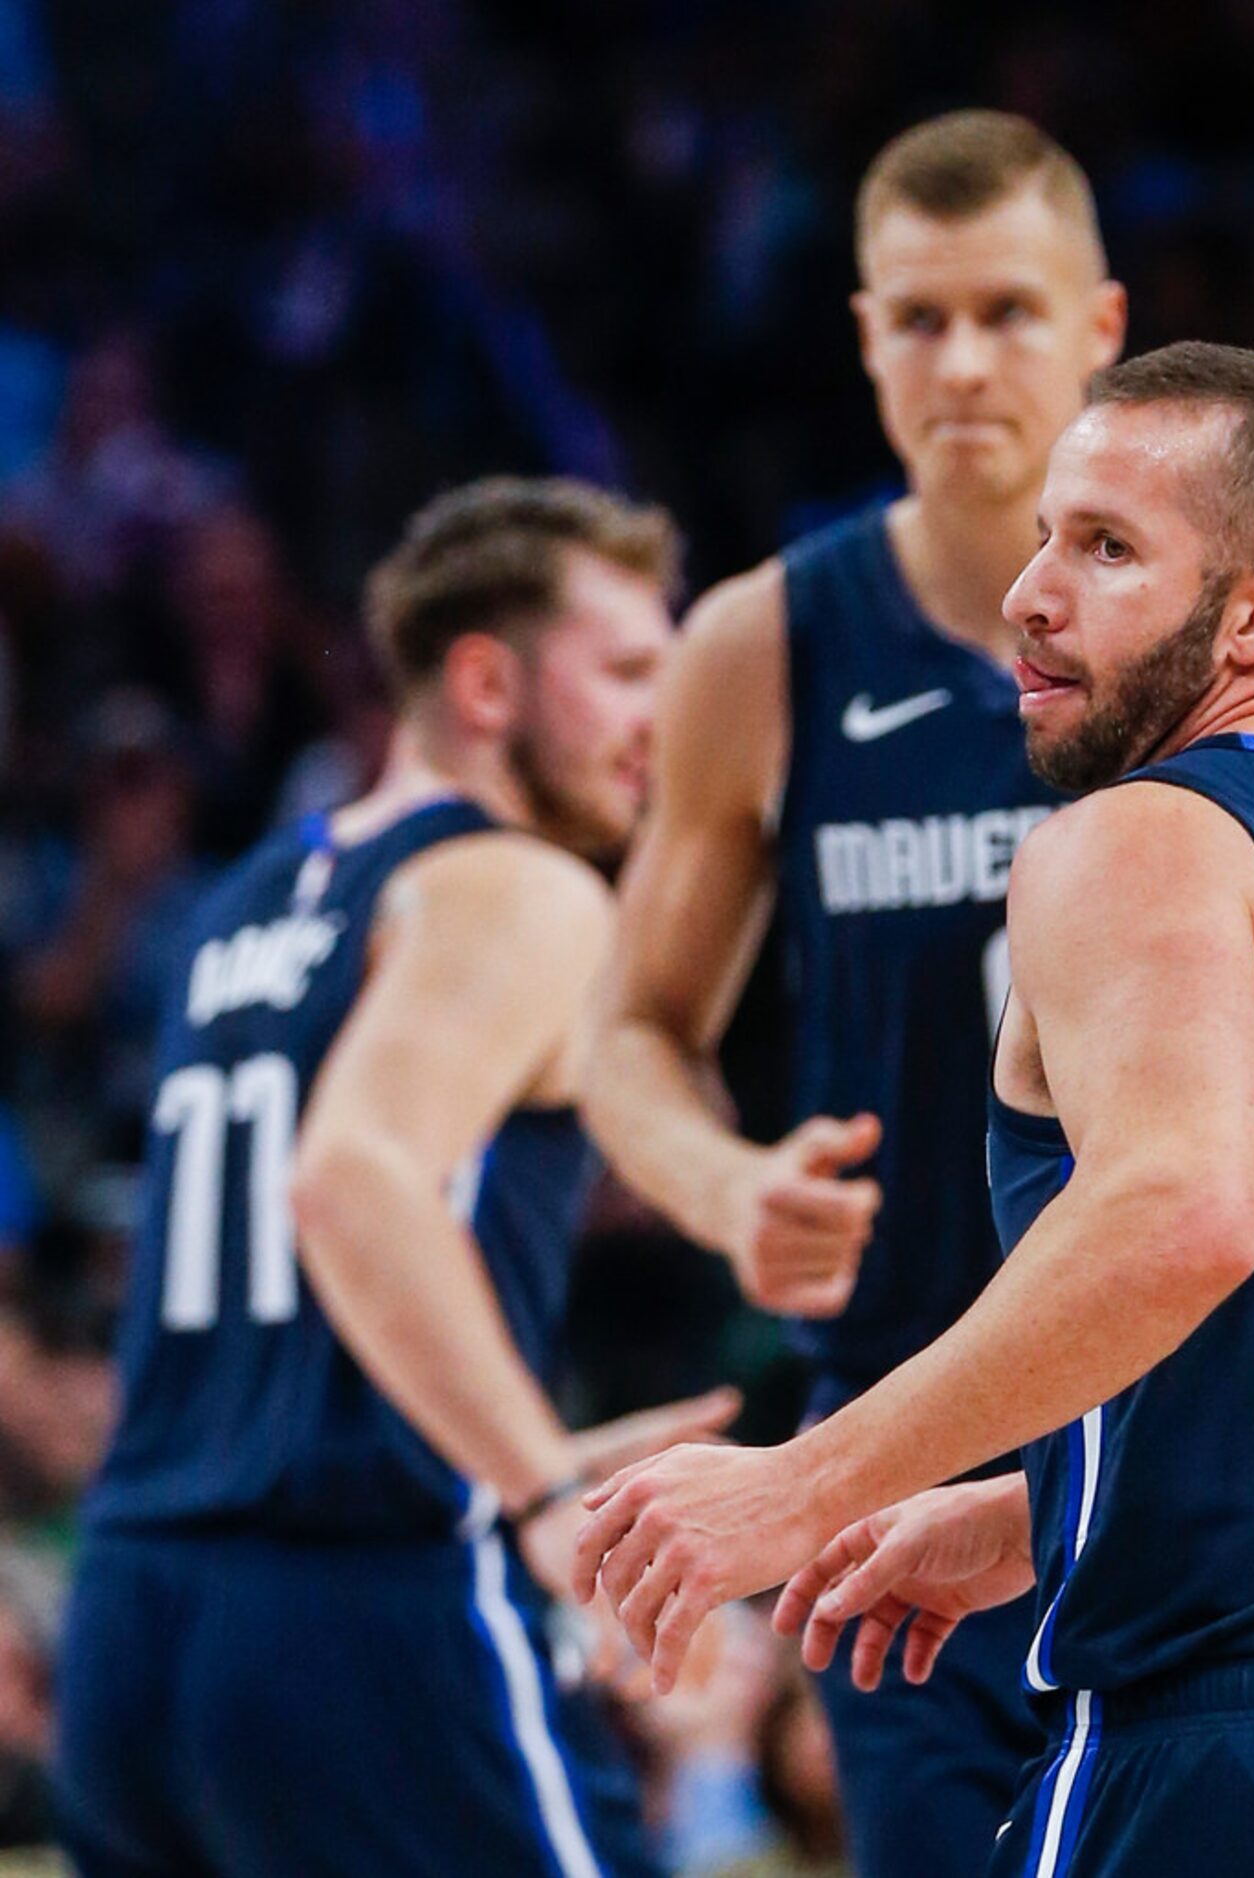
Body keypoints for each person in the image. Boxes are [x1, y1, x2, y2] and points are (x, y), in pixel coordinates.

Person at [574, 342, 1254, 1877]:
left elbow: (1183, 1217)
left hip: (1247, 1759)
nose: (1028, 594)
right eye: (1041, 537)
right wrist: (1039, 1514)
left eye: (1106, 547)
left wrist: (798, 1484)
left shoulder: (1147, 834)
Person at [53, 476, 739, 1878]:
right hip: (355, 1601)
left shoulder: (251, 898)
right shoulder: (519, 885)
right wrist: (539, 1484)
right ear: (484, 680)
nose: (655, 723)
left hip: (133, 1613)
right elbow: (350, 1181)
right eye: (621, 673)